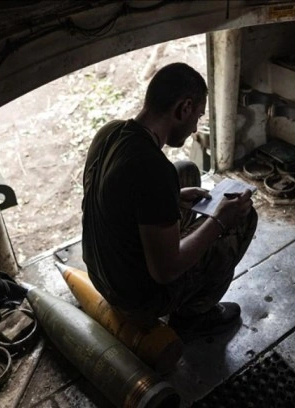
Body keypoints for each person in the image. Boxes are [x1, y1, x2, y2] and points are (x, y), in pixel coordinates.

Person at [82, 62, 257, 339]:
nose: (195, 128)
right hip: (137, 300)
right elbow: (166, 270)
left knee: (185, 170)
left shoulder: (110, 132)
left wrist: (173, 199)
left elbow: (116, 200)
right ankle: (194, 315)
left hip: (100, 272)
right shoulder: (153, 169)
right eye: (197, 116)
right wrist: (219, 221)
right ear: (184, 108)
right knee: (243, 217)